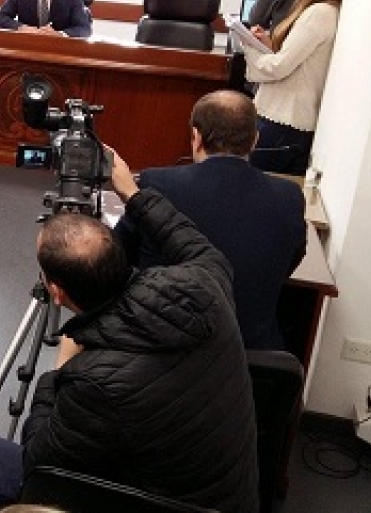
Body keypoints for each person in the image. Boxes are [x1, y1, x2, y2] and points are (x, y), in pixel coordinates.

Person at [0, 149, 259, 513]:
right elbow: (185, 237)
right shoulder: (204, 286)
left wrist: (59, 370)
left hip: (162, 504)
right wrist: (133, 194)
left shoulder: (93, 383)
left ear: (57, 293)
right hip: (230, 497)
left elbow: (40, 464)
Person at [116, 90, 306, 350]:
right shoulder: (289, 196)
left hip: (162, 349)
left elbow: (119, 256)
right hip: (249, 354)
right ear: (255, 140)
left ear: (196, 137)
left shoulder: (158, 184)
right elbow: (289, 262)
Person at [244, 0, 349, 175]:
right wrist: (269, 45)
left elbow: (279, 67)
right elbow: (295, 61)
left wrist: (250, 48)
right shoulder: (325, 11)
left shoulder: (319, 14)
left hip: (282, 122)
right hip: (285, 122)